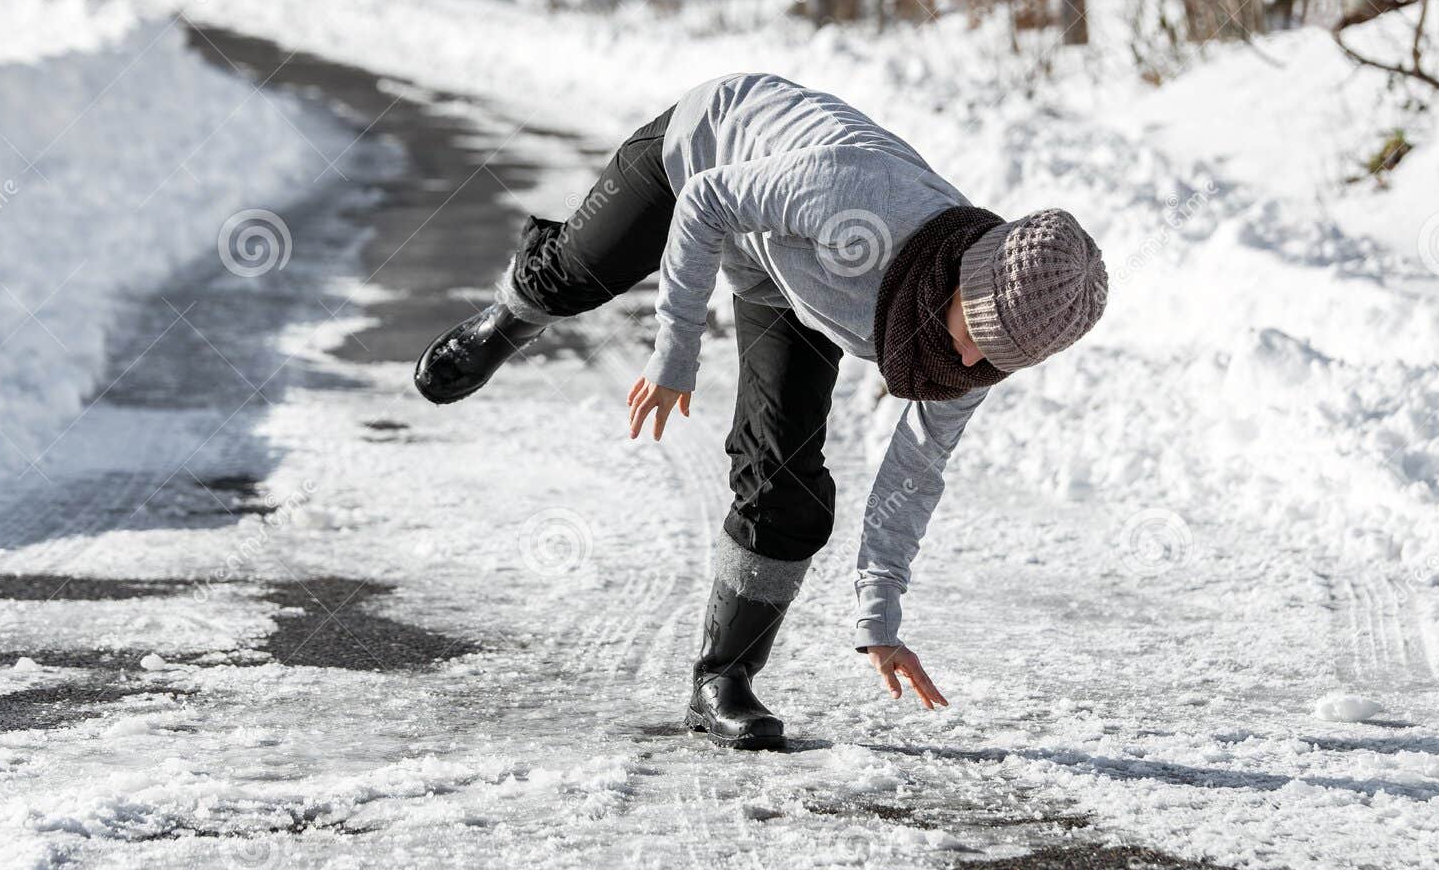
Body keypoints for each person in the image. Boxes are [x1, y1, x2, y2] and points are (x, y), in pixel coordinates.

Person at [415, 73, 1107, 750]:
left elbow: (913, 474)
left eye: (993, 356)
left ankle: (724, 678)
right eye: (972, 327)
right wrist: (675, 353)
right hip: (709, 154)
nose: (967, 355)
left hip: (789, 273)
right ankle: (511, 316)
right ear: (965, 272)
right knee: (573, 277)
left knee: (788, 483)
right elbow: (707, 201)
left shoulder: (971, 361)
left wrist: (881, 618)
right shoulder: (862, 197)